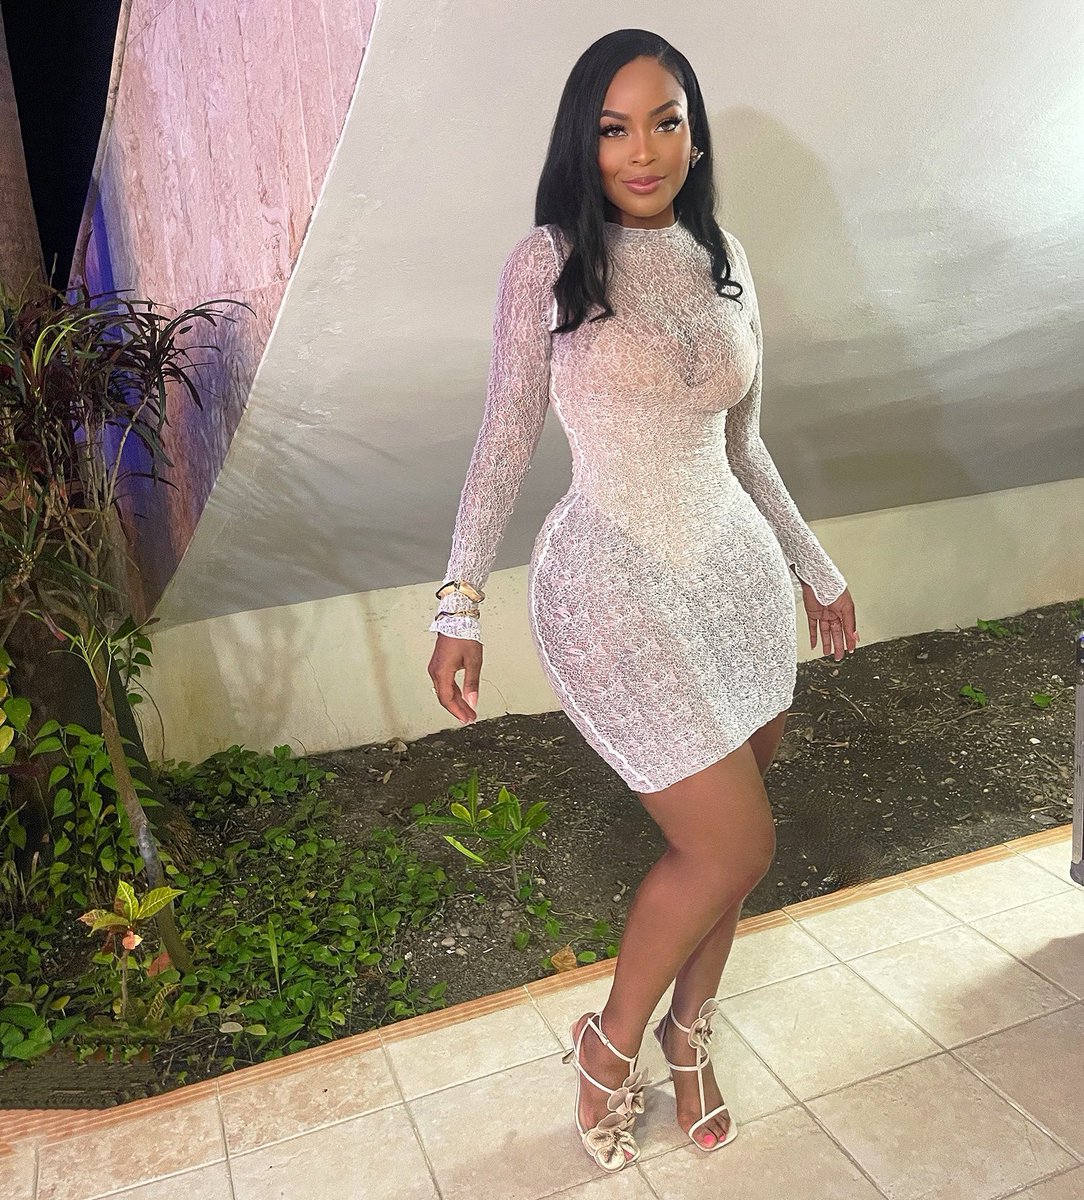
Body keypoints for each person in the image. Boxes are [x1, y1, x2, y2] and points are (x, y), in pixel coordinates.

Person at [426, 28, 859, 1172]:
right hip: (611, 587)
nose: (643, 150)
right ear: (585, 140)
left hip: (736, 585)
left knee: (735, 850)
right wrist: (457, 604)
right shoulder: (550, 260)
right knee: (731, 845)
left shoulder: (725, 255)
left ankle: (689, 1036)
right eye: (615, 128)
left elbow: (744, 445)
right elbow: (503, 439)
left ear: (693, 135)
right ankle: (610, 1044)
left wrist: (814, 566)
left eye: (666, 121)